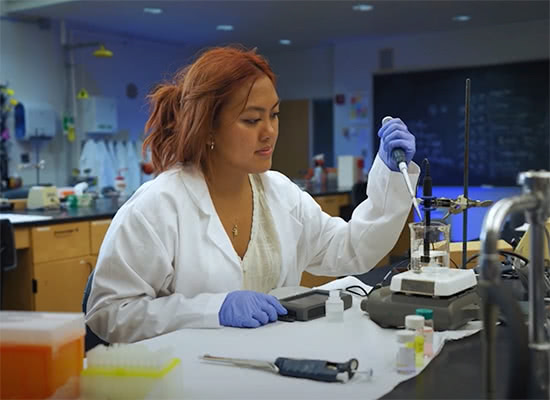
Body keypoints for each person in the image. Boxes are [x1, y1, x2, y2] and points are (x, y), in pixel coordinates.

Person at [86, 46, 419, 343]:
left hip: (266, 367)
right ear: (208, 127)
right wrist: (212, 310)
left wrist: (388, 176)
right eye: (251, 119)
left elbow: (351, 250)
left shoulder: (281, 194)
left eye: (273, 115)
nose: (270, 131)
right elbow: (109, 313)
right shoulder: (157, 206)